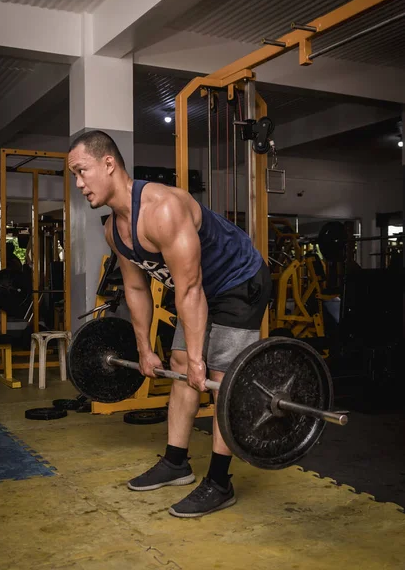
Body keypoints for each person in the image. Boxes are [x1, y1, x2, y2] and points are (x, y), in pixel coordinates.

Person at [69, 130, 272, 518]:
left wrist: (199, 357)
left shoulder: (163, 207)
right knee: (179, 364)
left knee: (217, 374)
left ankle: (219, 481)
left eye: (82, 171)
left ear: (108, 163)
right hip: (198, 291)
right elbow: (136, 287)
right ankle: (176, 462)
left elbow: (191, 287)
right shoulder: (115, 229)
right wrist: (144, 347)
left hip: (239, 281)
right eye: (74, 175)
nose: (78, 183)